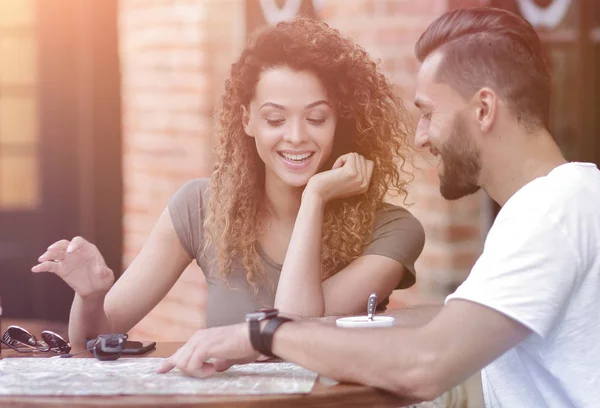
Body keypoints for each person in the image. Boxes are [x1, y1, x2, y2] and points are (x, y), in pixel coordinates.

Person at [156, 7, 600, 408]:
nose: (421, 137)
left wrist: (262, 333)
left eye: (428, 113)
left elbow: (426, 365)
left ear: (483, 109)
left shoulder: (551, 213)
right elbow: (453, 335)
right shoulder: (562, 203)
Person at [31, 18, 425, 347]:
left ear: (341, 122)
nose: (296, 136)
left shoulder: (392, 232)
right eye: (274, 119)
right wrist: (91, 297)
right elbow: (92, 342)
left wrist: (315, 198)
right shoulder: (200, 206)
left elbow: (294, 334)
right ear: (246, 121)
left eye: (317, 118)